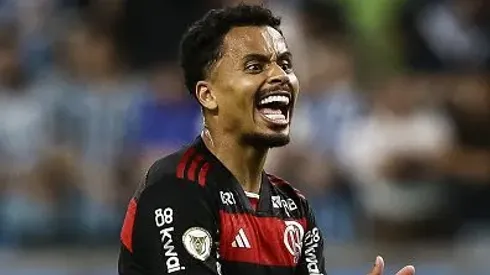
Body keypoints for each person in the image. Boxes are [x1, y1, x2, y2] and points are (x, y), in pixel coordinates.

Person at [118, 4, 416, 275]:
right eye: (255, 67)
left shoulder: (295, 208)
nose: (280, 77)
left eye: (285, 64)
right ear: (208, 95)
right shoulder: (176, 187)